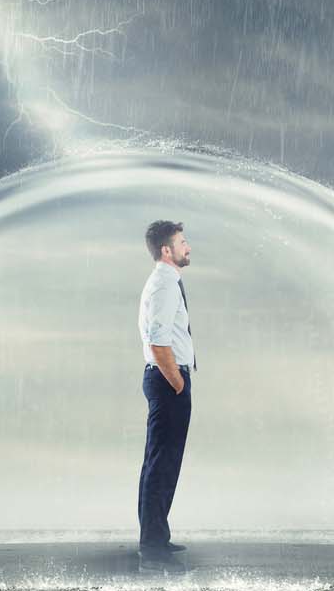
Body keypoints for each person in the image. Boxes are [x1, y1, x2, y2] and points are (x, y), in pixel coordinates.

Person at [137, 220, 195, 567]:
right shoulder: (163, 285)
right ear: (166, 250)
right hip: (167, 381)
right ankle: (153, 545)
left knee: (162, 462)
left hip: (165, 380)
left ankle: (157, 537)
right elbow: (158, 340)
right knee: (161, 464)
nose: (188, 247)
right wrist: (177, 382)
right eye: (182, 242)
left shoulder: (168, 282)